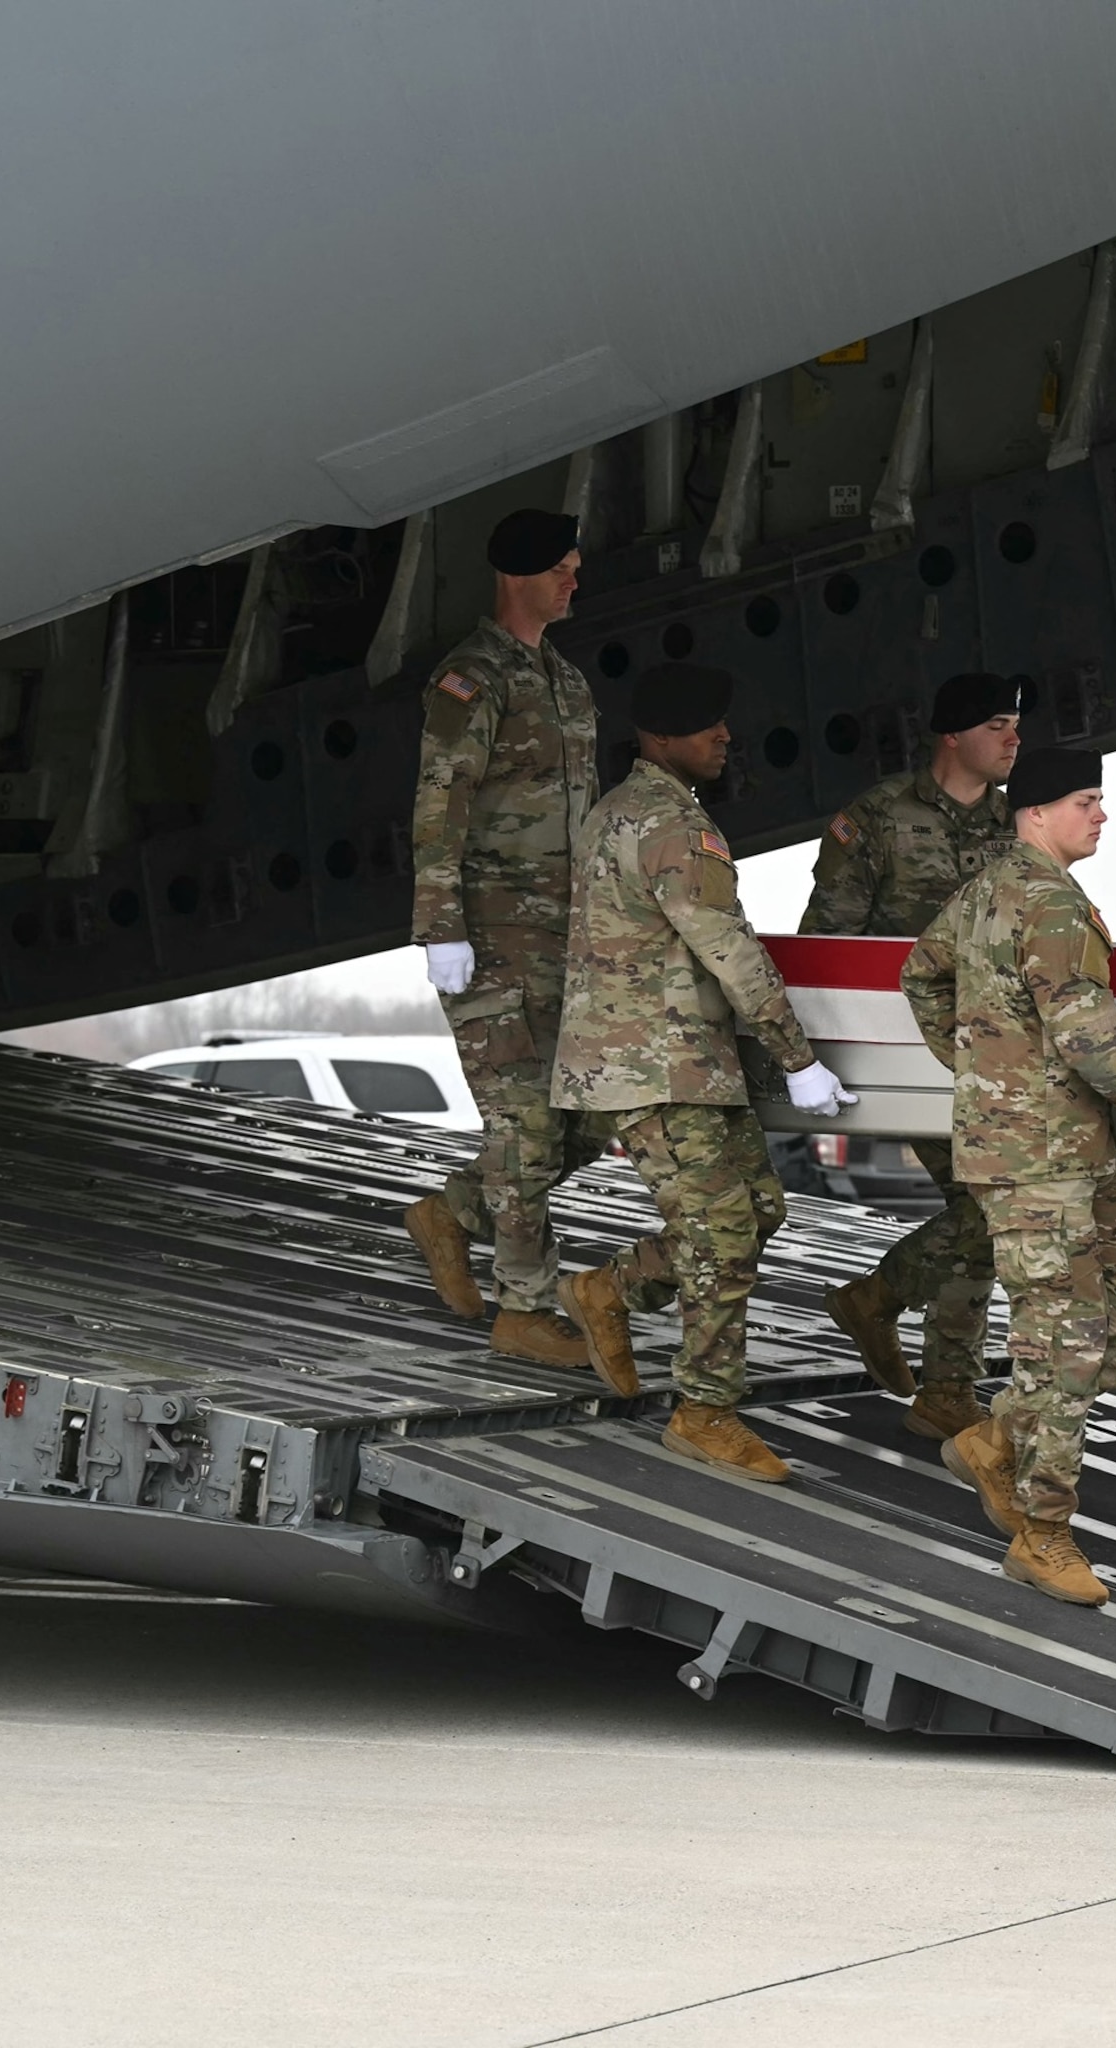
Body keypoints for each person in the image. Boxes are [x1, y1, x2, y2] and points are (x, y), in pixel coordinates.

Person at [905, 746, 1116, 1606]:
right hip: (1037, 1162)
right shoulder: (1048, 902)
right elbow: (1086, 1037)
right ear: (1037, 812)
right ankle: (1042, 1534)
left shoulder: (988, 891)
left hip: (1069, 1150)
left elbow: (921, 973)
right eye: (1086, 800)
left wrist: (985, 1067)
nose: (1101, 815)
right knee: (1068, 1346)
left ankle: (994, 1440)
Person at [548, 663, 856, 1480]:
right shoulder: (674, 826)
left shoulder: (619, 810)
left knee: (757, 1210)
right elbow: (728, 948)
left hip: (676, 1060)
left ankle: (610, 1292)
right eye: (705, 725)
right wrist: (798, 1059)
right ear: (659, 738)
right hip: (656, 1065)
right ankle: (705, 1412)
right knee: (722, 1234)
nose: (724, 736)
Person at [400, 506, 611, 1368]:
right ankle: (524, 1306)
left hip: (565, 940)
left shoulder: (565, 681)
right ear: (518, 574)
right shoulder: (472, 678)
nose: (574, 582)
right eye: (562, 569)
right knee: (523, 1127)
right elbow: (439, 802)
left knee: (585, 1121)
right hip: (490, 936)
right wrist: (439, 927)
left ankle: (452, 1213)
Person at [803, 673, 1022, 1441]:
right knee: (987, 1207)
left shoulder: (1020, 827)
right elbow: (828, 940)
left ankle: (897, 1328)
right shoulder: (878, 818)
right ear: (951, 736)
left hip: (994, 1055)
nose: (1013, 739)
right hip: (908, 1051)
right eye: (996, 725)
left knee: (985, 1209)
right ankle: (934, 1373)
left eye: (1015, 725)